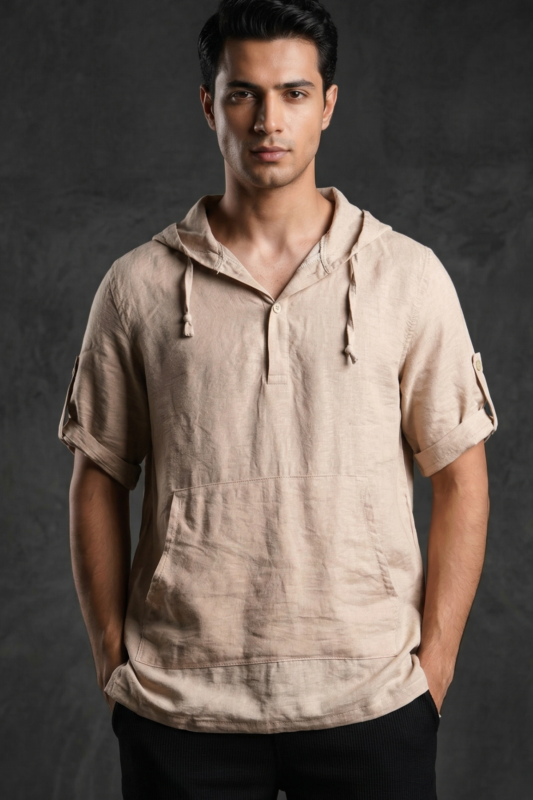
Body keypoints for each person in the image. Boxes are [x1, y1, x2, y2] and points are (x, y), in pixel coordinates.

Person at [59, 1, 498, 797]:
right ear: (208, 105)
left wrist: (431, 672)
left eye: (293, 93)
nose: (268, 121)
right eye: (243, 94)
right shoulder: (136, 287)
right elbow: (98, 476)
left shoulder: (407, 276)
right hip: (181, 705)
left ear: (327, 104)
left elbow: (460, 476)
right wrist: (111, 662)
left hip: (370, 698)